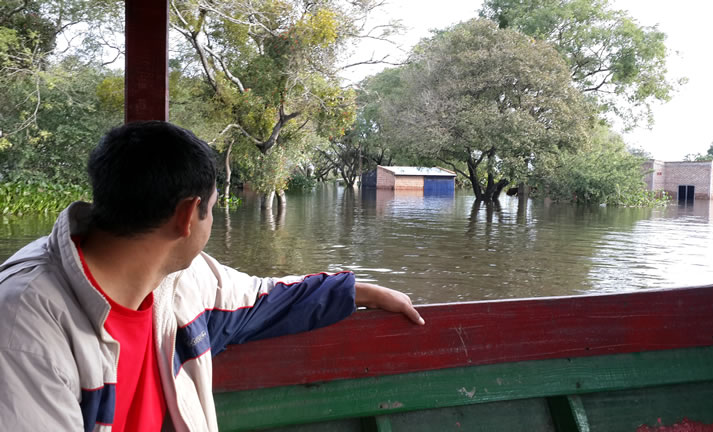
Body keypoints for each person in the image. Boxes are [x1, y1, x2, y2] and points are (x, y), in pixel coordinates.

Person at [0, 121, 424, 431]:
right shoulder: (25, 325)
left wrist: (357, 291)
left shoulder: (179, 282)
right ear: (188, 216)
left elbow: (264, 297)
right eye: (214, 209)